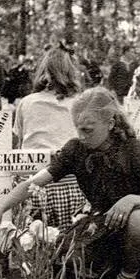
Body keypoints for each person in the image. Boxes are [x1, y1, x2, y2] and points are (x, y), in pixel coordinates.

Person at [0, 87, 140, 279]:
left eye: (89, 130)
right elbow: (32, 183)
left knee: (139, 218)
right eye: (79, 129)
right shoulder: (76, 150)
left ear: (111, 123)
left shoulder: (135, 150)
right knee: (61, 267)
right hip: (103, 224)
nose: (82, 136)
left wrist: (131, 200)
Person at [14, 47, 86, 230]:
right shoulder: (80, 103)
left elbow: (20, 143)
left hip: (33, 187)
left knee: (35, 245)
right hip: (73, 187)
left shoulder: (26, 102)